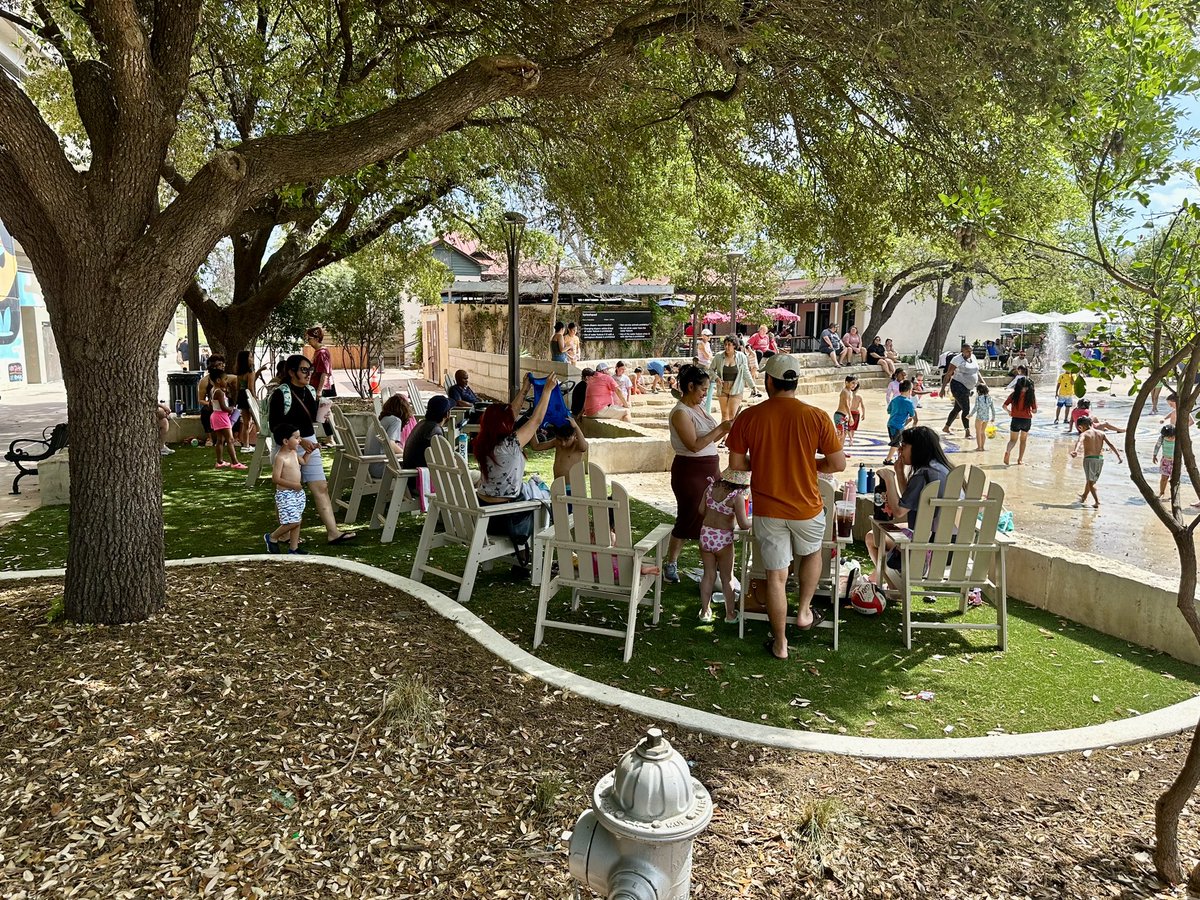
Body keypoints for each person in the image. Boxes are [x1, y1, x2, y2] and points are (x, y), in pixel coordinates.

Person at [727, 354, 846, 660]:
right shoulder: (817, 416)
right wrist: (807, 460)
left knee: (776, 577)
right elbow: (837, 464)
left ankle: (780, 644)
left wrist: (767, 460)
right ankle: (804, 611)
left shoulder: (749, 417)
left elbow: (737, 466)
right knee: (811, 555)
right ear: (795, 382)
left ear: (769, 381)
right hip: (807, 507)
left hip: (768, 510)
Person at [267, 354, 356, 544]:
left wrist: (323, 415)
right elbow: (275, 426)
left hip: (309, 441)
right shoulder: (280, 394)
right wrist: (298, 442)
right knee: (286, 491)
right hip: (287, 448)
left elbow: (311, 418)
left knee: (321, 487)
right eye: (304, 370)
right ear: (291, 372)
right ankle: (282, 533)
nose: (308, 374)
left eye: (310, 370)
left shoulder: (309, 391)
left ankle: (333, 532)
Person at [475, 374, 560, 573]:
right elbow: (536, 420)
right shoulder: (509, 445)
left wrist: (524, 389)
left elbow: (510, 413)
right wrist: (547, 391)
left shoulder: (483, 442)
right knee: (543, 499)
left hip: (484, 513)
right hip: (509, 520)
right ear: (504, 424)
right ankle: (534, 559)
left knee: (528, 491)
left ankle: (522, 555)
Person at [662, 365, 731, 583]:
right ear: (690, 387)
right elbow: (694, 445)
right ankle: (671, 562)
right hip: (690, 471)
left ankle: (715, 565)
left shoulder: (699, 408)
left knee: (715, 516)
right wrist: (722, 428)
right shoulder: (680, 413)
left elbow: (709, 441)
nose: (705, 394)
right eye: (703, 389)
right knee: (689, 515)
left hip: (710, 467)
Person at [865, 426, 955, 588]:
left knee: (872, 537)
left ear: (918, 448)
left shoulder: (922, 475)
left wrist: (889, 479)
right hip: (953, 548)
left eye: (904, 445)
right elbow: (911, 499)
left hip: (928, 548)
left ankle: (894, 585)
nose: (899, 449)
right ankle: (883, 578)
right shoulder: (944, 470)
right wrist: (900, 473)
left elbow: (899, 511)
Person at [697, 467, 752, 624]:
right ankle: (730, 614)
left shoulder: (710, 487)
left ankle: (705, 611)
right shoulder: (737, 497)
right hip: (723, 539)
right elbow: (743, 524)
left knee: (708, 575)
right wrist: (754, 520)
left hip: (706, 535)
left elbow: (701, 510)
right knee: (727, 577)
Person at [265, 426, 312, 554]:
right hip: (286, 494)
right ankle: (273, 537)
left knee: (298, 520)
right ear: (286, 441)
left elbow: (303, 462)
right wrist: (293, 485)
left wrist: (309, 451)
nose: (300, 440)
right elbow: (276, 478)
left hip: (297, 493)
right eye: (296, 438)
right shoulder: (280, 457)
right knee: (294, 521)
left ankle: (294, 548)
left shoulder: (293, 453)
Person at [401, 395, 453, 494]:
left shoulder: (421, 424)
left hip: (411, 479)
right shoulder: (435, 430)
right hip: (422, 482)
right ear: (447, 414)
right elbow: (445, 462)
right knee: (476, 477)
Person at [1070, 416, 1122, 507]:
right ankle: (1084, 496)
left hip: (1089, 459)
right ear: (1091, 424)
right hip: (1100, 459)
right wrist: (1118, 456)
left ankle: (1097, 502)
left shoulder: (1084, 434)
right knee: (1091, 480)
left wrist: (1075, 451)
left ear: (1081, 427)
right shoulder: (1101, 433)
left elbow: (1079, 442)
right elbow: (1110, 444)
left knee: (1091, 482)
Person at [366, 394, 417, 479]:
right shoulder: (395, 421)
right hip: (382, 468)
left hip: (370, 466)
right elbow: (391, 445)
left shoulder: (380, 420)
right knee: (418, 465)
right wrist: (406, 455)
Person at [940, 342, 980, 439]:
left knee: (957, 408)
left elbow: (977, 372)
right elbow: (948, 374)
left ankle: (946, 427)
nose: (969, 353)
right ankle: (967, 431)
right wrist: (942, 388)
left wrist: (982, 382)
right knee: (966, 409)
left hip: (968, 387)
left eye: (971, 351)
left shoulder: (973, 357)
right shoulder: (956, 359)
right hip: (957, 386)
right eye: (967, 351)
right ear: (962, 351)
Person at [710, 335, 754, 423]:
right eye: (725, 344)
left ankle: (732, 435)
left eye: (729, 344)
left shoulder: (741, 356)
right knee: (724, 414)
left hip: (736, 387)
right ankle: (724, 436)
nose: (727, 347)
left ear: (734, 345)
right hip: (722, 387)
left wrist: (753, 386)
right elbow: (710, 369)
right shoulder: (719, 356)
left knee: (732, 414)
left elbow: (746, 372)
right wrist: (716, 378)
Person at [531, 416, 589, 480]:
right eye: (559, 439)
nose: (563, 443)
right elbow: (536, 446)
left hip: (573, 486)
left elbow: (584, 448)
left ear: (574, 435)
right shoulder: (556, 442)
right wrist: (532, 428)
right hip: (558, 484)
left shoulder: (576, 445)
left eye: (567, 440)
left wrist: (576, 427)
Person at [234, 350, 269, 449]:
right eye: (250, 357)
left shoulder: (240, 373)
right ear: (246, 360)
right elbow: (251, 387)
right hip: (249, 397)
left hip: (241, 396)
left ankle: (246, 445)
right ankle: (261, 445)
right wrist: (255, 399)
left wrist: (259, 371)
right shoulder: (250, 371)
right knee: (258, 421)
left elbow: (238, 387)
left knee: (246, 423)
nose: (252, 359)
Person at [209, 375, 245, 469]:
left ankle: (219, 461)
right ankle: (235, 462)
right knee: (230, 439)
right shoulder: (220, 392)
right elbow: (223, 407)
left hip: (216, 415)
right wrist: (231, 410)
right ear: (218, 380)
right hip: (222, 417)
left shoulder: (213, 390)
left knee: (220, 440)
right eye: (225, 379)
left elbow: (211, 404)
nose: (226, 382)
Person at [1002, 376, 1037, 466]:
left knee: (1013, 440)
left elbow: (1004, 405)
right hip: (1026, 420)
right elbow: (1034, 410)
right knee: (1023, 441)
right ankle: (1020, 460)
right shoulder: (1031, 396)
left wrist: (1009, 411)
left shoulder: (1014, 394)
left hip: (1015, 420)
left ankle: (1008, 451)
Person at [884, 379, 918, 465]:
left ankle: (899, 458)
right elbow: (912, 413)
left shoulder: (894, 400)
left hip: (890, 424)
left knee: (898, 442)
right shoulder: (908, 402)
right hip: (898, 426)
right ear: (909, 390)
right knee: (895, 443)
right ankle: (887, 460)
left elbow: (889, 410)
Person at [196, 354, 226, 447]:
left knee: (235, 410)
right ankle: (209, 437)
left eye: (222, 364)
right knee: (205, 411)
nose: (222, 366)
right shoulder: (204, 381)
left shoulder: (226, 378)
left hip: (225, 405)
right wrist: (210, 403)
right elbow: (200, 400)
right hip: (212, 405)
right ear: (212, 367)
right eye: (219, 365)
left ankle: (235, 437)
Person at [304, 327, 334, 397]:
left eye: (309, 338)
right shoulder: (318, 351)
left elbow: (324, 373)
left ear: (316, 339)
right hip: (315, 387)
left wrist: (319, 391)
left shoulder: (322, 352)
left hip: (320, 389)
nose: (308, 342)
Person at [1154, 424, 1177, 500]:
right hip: (1165, 461)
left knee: (1174, 479)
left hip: (1175, 462)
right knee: (1164, 478)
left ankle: (1174, 495)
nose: (1170, 438)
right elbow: (1157, 446)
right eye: (1168, 436)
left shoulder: (1178, 438)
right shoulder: (1162, 437)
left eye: (1171, 436)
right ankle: (1161, 492)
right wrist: (1154, 455)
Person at [834, 375, 857, 444]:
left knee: (843, 435)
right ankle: (835, 451)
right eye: (853, 383)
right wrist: (850, 416)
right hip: (840, 415)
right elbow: (846, 405)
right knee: (840, 434)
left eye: (856, 383)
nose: (854, 385)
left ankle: (841, 451)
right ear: (846, 383)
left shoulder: (850, 392)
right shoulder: (845, 391)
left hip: (844, 415)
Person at [972, 383, 996, 452]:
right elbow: (992, 409)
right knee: (982, 432)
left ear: (978, 391)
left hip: (979, 417)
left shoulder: (978, 398)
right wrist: (993, 417)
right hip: (986, 418)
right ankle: (982, 447)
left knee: (978, 432)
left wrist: (970, 415)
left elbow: (975, 408)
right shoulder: (989, 398)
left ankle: (979, 447)